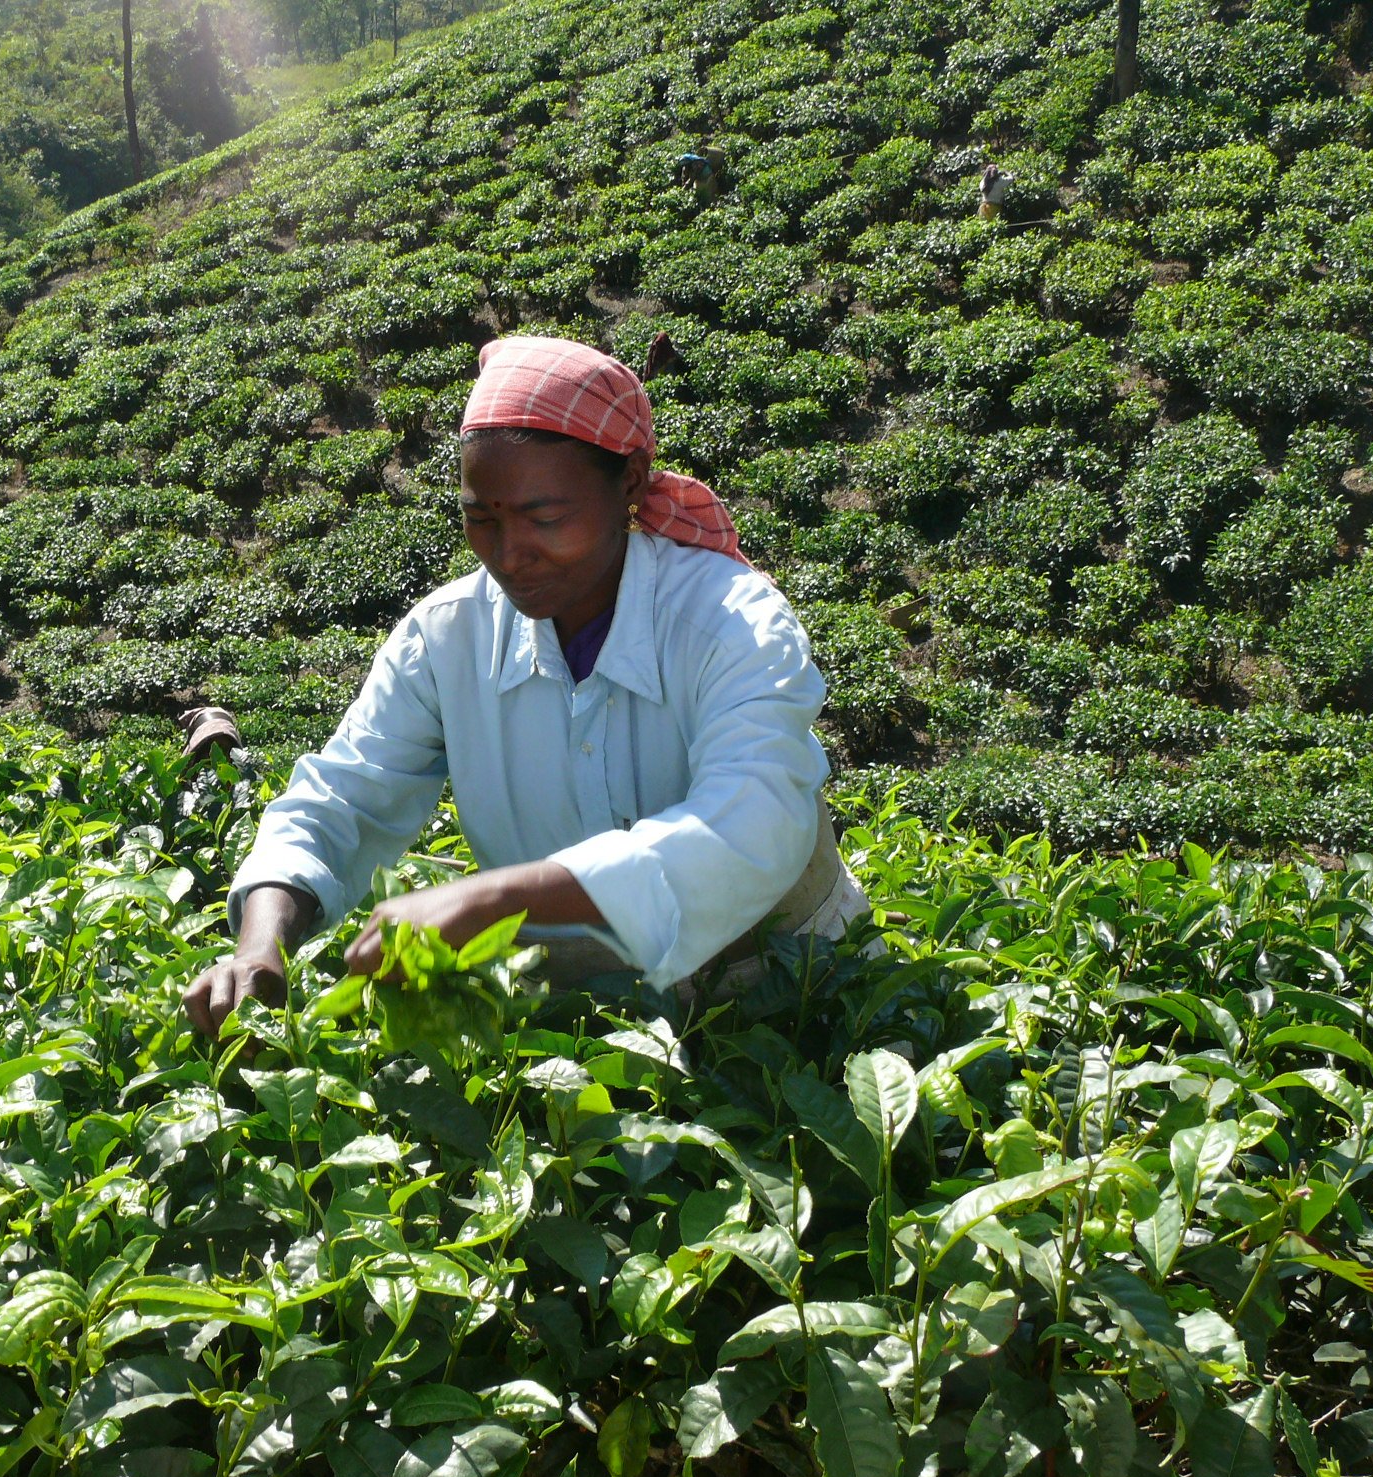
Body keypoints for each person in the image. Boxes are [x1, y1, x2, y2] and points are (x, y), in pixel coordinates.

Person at [183, 335, 870, 1033]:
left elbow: (754, 824)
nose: (510, 556)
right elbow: (341, 799)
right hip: (581, 1017)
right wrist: (260, 944)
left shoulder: (730, 624)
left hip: (793, 987)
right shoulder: (447, 637)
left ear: (630, 481)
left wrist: (496, 900)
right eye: (481, 519)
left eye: (546, 519)